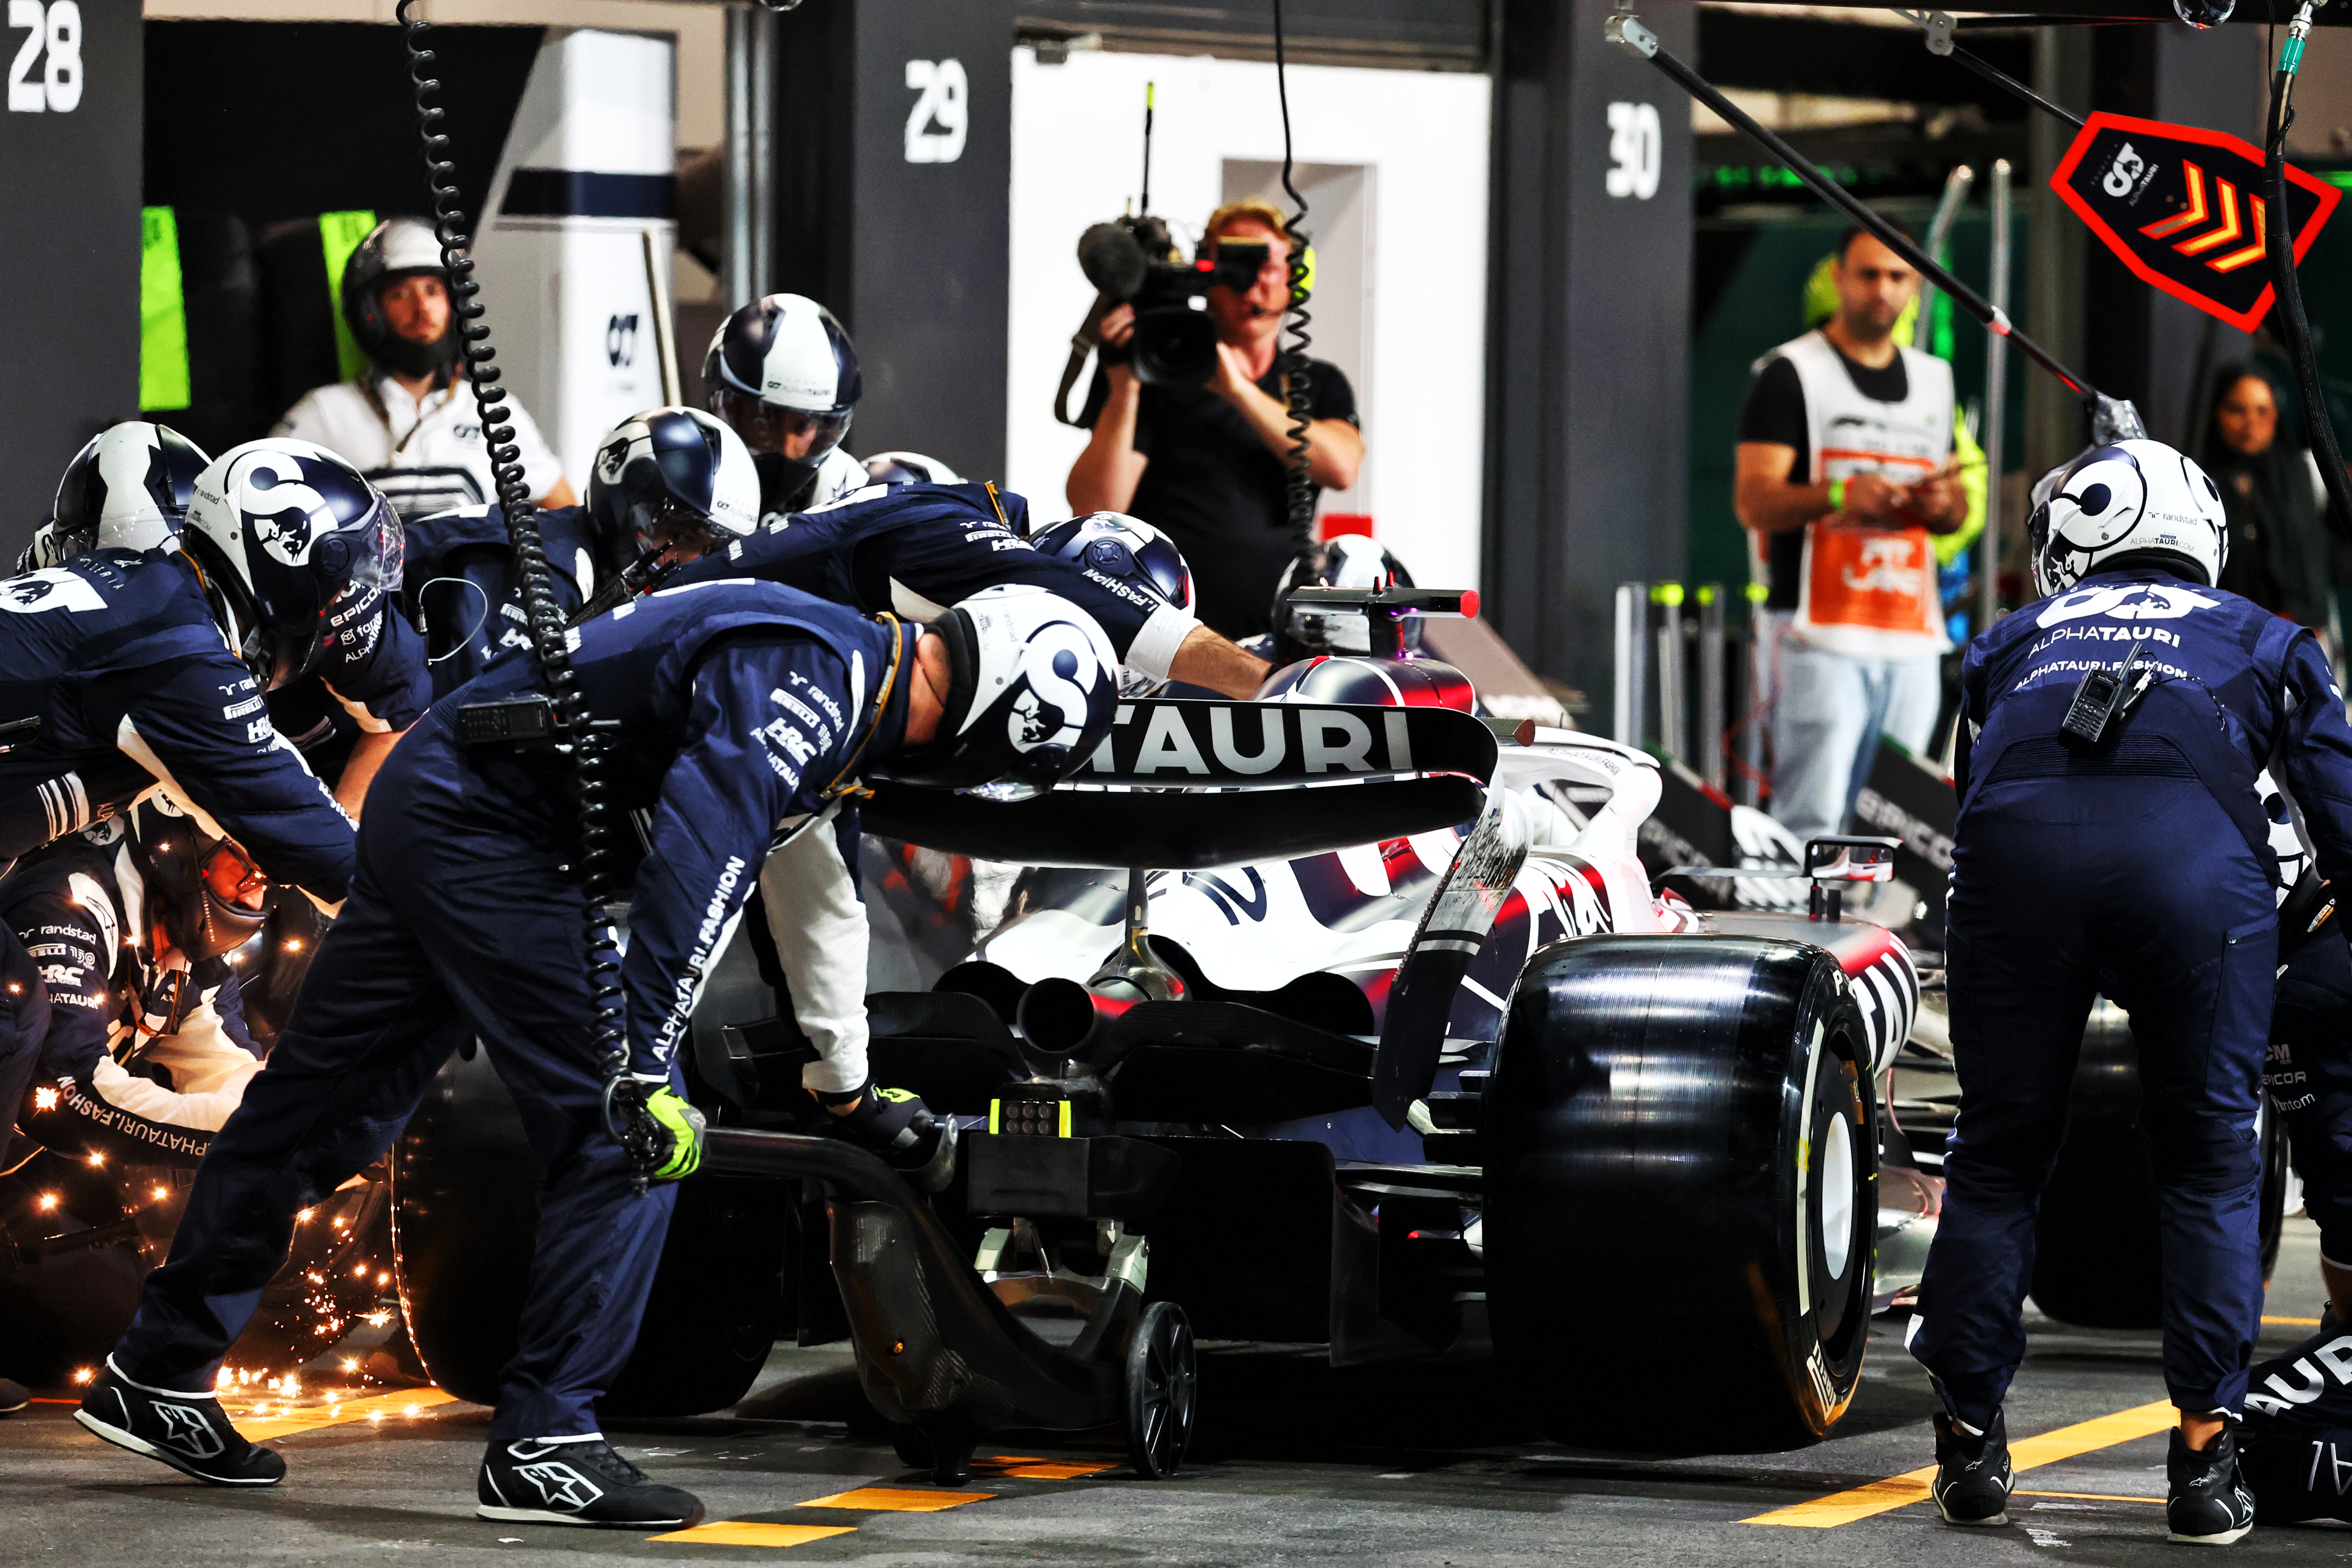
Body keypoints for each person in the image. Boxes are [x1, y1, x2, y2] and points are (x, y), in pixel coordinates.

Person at [73, 576, 1120, 1526]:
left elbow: (815, 895)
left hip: (438, 799)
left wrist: (847, 1090)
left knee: (323, 1113)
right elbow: (707, 860)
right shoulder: (813, 683)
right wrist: (642, 1060)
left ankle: (156, 1368)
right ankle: (546, 1440)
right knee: (633, 1141)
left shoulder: (838, 669)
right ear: (995, 736)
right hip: (490, 832)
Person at [1909, 437, 2352, 1545]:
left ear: (2075, 544)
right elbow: (2343, 820)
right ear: (2204, 538)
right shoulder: (2269, 636)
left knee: (2000, 1151)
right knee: (2209, 1159)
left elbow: (1979, 784)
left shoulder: (2005, 640)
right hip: (2193, 876)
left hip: (2016, 865)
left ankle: (1968, 1443)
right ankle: (2203, 1467)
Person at [35, 428, 430, 820]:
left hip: (323, 775)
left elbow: (398, 717)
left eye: (170, 565)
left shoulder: (324, 592)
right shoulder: (48, 579)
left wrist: (338, 839)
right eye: (118, 573)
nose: (149, 587)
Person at [1734, 223, 1969, 846]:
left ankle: (1873, 940)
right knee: (1811, 819)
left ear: (1915, 285)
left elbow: (1957, 505)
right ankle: (1791, 942)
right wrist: (1841, 494)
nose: (1882, 290)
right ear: (1838, 279)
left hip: (1910, 634)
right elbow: (1753, 501)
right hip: (1819, 631)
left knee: (1893, 823)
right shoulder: (1790, 373)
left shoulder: (1933, 379)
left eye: (1897, 277)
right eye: (1869, 274)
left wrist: (1942, 503)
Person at [1067, 198, 1365, 640]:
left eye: (1269, 265)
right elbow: (1093, 506)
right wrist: (1124, 388)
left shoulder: (1316, 382)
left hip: (1277, 633)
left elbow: (1341, 467)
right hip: (1164, 632)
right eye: (1238, 265)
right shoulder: (1155, 371)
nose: (1255, 284)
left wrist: (1238, 391)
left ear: (1296, 276)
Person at [670, 487, 1268, 699]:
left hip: (717, 668)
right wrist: (1270, 685)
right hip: (675, 674)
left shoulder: (946, 524)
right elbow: (1085, 599)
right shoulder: (952, 539)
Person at [405, 407, 759, 697]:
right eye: (680, 536)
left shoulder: (580, 559)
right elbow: (470, 714)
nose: (692, 564)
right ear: (624, 497)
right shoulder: (548, 568)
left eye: (711, 551)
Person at [274, 217, 575, 522]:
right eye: (400, 295)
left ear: (455, 303)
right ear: (371, 312)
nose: (421, 309)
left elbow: (567, 514)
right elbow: (253, 490)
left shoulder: (494, 411)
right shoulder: (326, 413)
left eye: (432, 291)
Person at [701, 292, 870, 525]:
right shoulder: (676, 473)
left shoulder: (850, 496)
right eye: (766, 426)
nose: (786, 448)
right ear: (727, 407)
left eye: (803, 426)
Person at [2200, 363, 2338, 632]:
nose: (2251, 423)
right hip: (2227, 637)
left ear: (2275, 416)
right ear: (2216, 412)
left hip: (2305, 636)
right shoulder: (2196, 480)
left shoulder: (2304, 472)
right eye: (2237, 410)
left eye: (2262, 411)